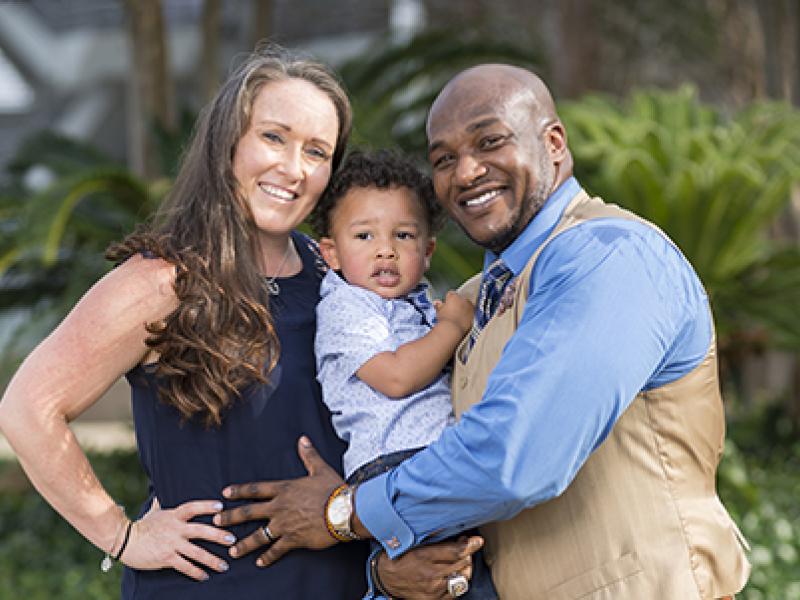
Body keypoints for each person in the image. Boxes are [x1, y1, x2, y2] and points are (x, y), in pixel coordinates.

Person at [215, 63, 752, 600]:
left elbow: (512, 460)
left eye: (489, 141)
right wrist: (390, 570)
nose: (466, 172)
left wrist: (344, 513)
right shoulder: (471, 297)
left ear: (554, 142)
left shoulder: (607, 256)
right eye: (443, 159)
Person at [0, 44, 480, 599]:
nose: (292, 168)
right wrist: (122, 537)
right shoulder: (164, 280)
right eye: (273, 137)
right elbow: (27, 409)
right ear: (229, 140)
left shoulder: (338, 275)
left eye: (317, 152)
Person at [311, 149, 497, 599]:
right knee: (433, 575)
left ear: (428, 250)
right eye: (363, 235)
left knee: (462, 575)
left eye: (404, 235)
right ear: (330, 252)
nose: (385, 249)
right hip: (395, 463)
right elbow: (395, 377)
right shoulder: (345, 306)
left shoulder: (412, 301)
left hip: (426, 458)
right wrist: (452, 327)